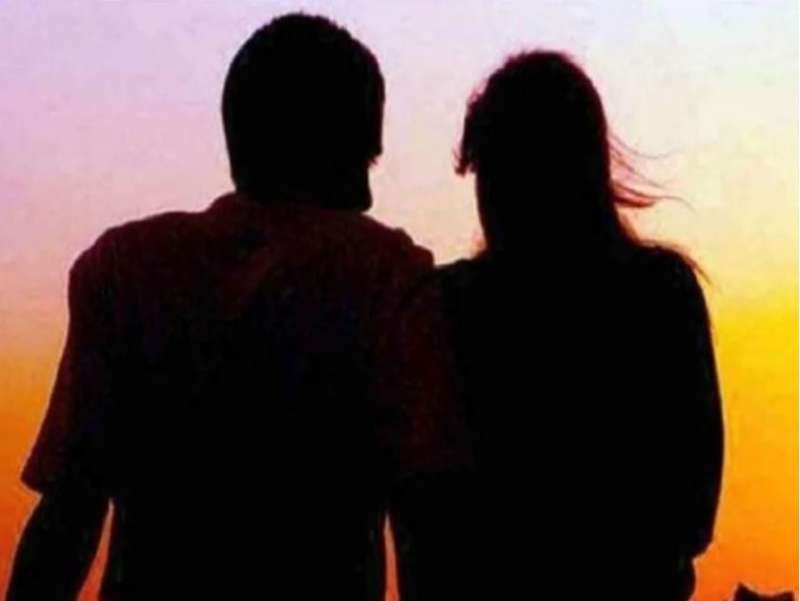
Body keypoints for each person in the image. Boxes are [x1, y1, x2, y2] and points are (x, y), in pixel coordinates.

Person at [7, 13, 467, 601]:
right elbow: (426, 524)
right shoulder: (390, 276)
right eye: (363, 161)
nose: (367, 193)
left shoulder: (124, 269)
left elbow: (68, 513)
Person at [392, 51, 724, 600]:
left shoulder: (447, 304)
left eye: (496, 170)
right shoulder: (661, 292)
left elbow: (421, 511)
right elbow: (692, 511)